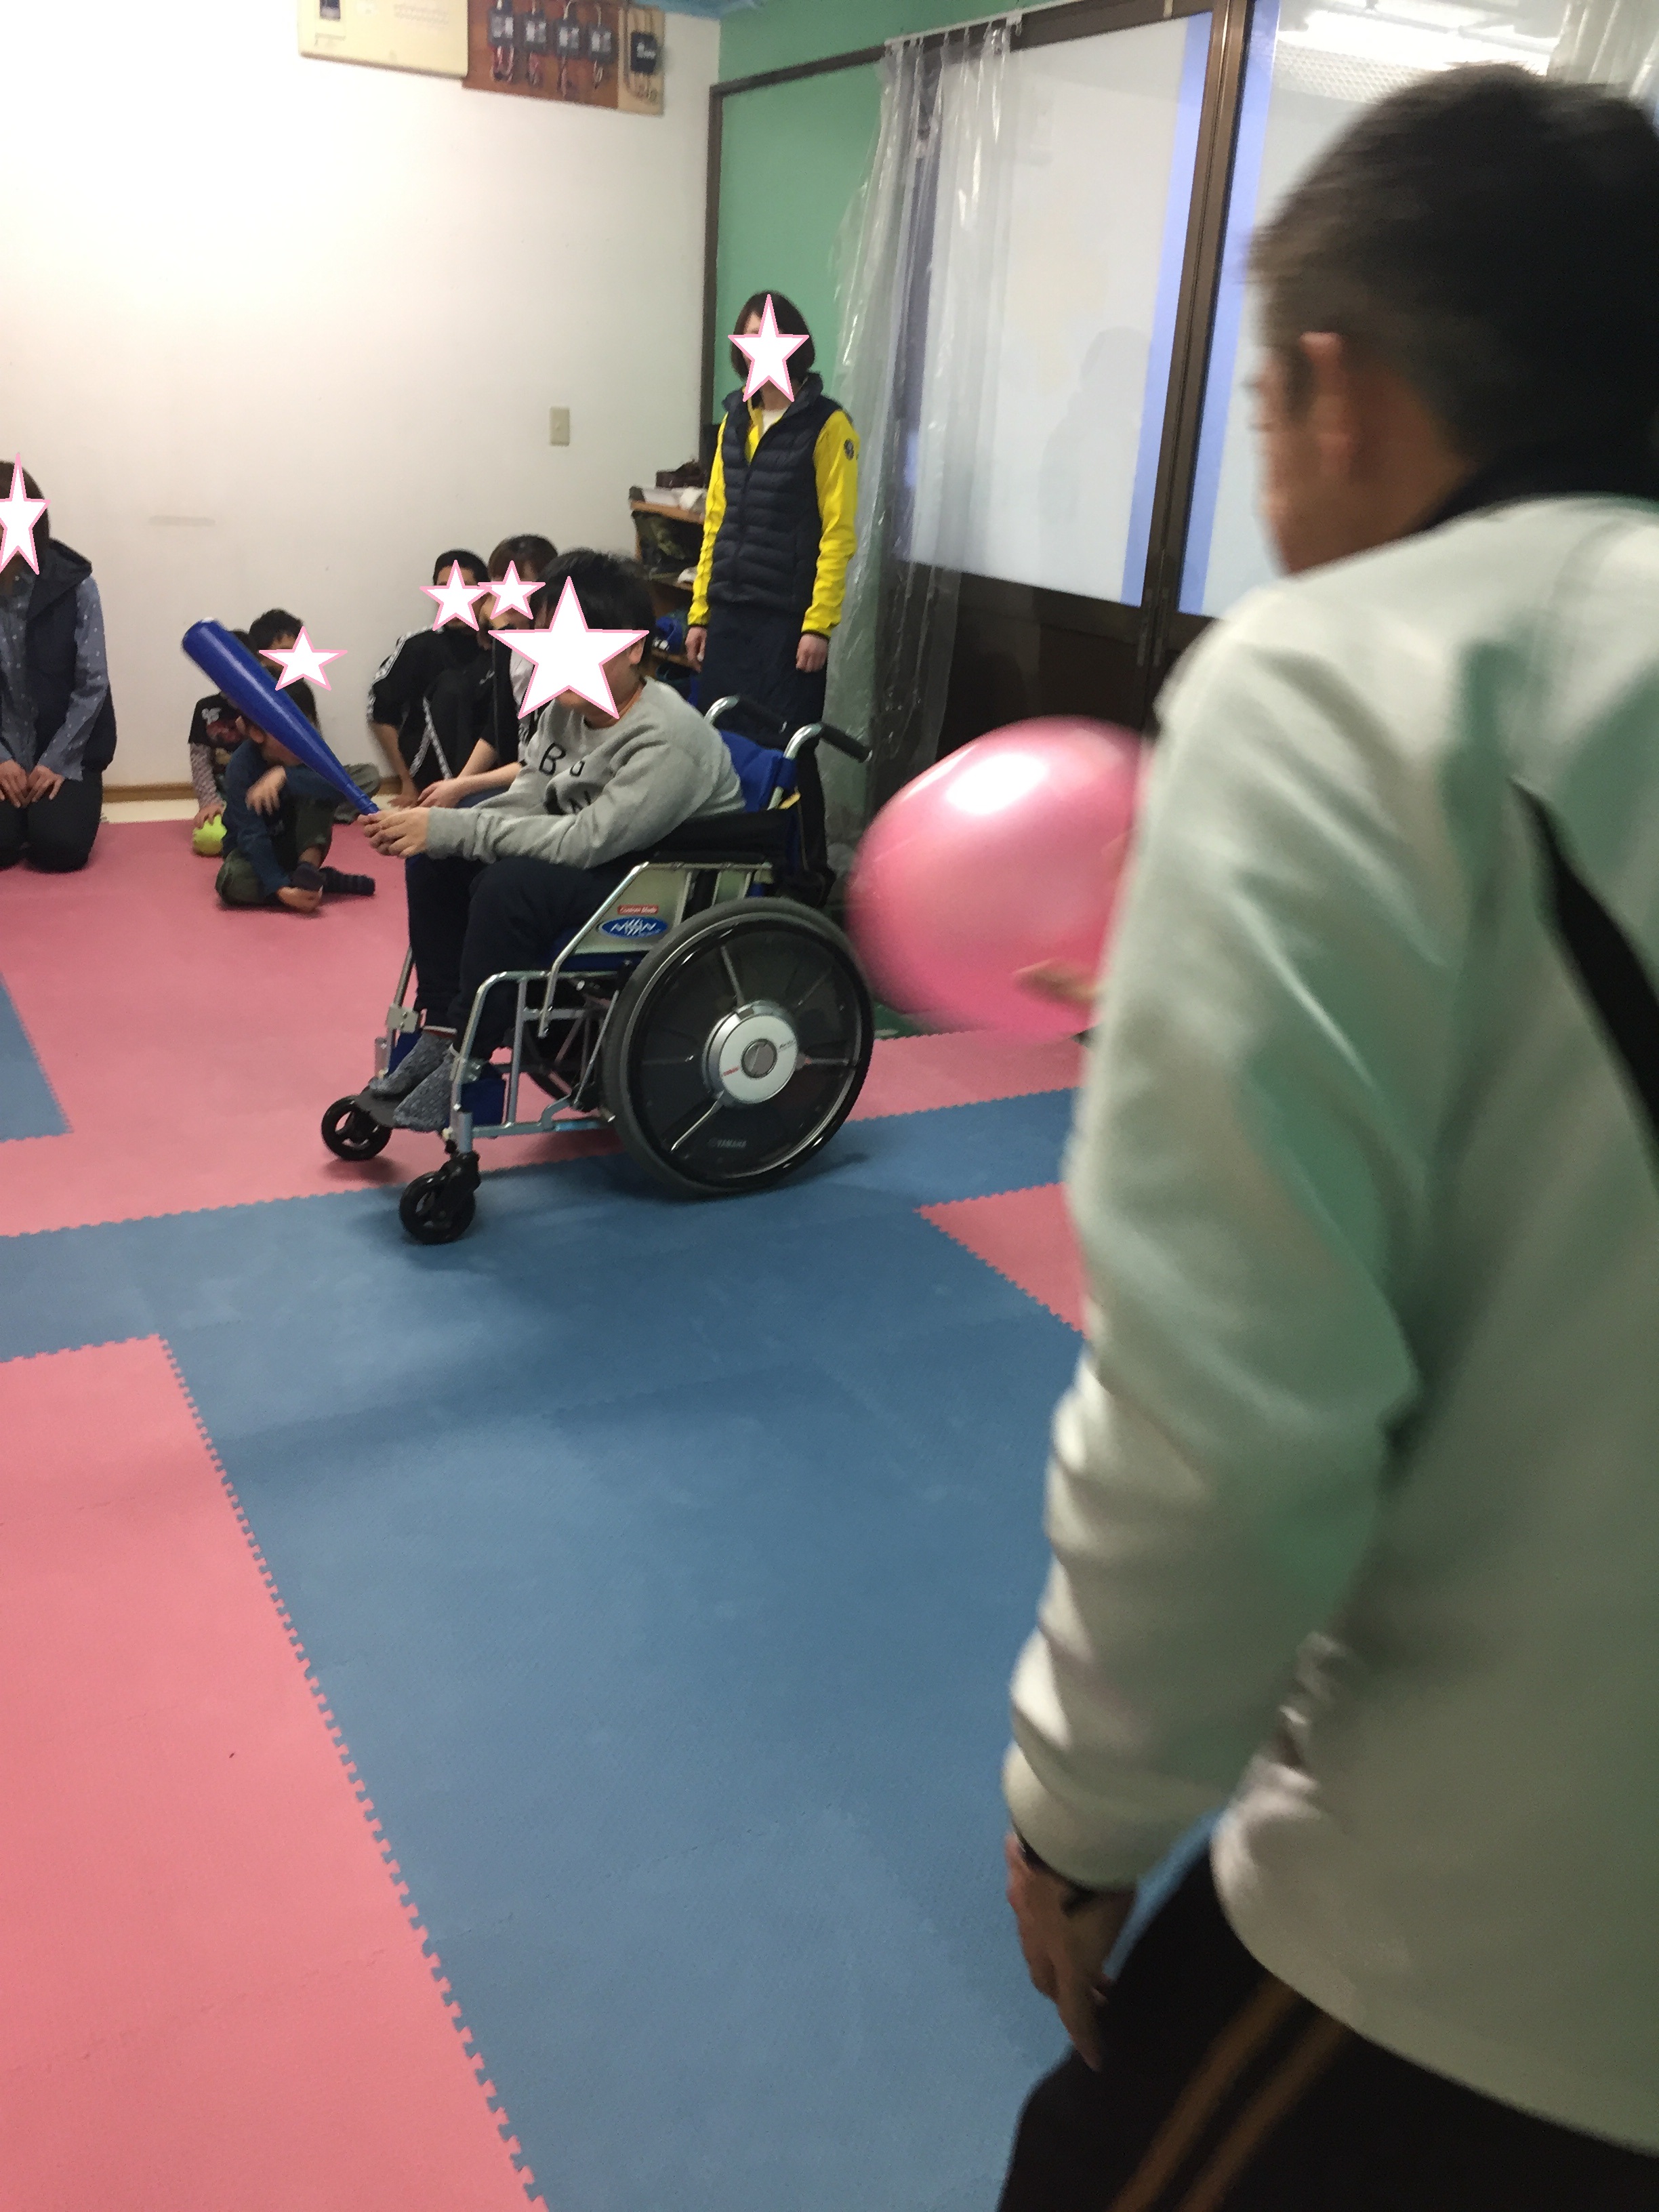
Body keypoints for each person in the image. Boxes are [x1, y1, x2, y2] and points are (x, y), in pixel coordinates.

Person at [998, 67, 1659, 2211]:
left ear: (1331, 392)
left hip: (1500, 1939)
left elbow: (1230, 1417)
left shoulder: (1351, 678)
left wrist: (1078, 1813)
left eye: (1263, 414)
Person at [359, 549, 741, 1130]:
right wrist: (441, 830)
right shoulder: (565, 708)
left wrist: (454, 827)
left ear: (633, 648)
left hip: (665, 880)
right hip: (607, 859)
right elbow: (530, 797)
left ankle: (471, 1060)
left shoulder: (667, 739)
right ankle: (441, 1028)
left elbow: (584, 841)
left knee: (507, 887)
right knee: (437, 860)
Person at [685, 292, 858, 731]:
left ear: (794, 344)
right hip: (729, 615)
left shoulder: (828, 424)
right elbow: (716, 524)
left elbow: (838, 534)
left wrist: (818, 626)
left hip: (788, 622)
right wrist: (700, 613)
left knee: (784, 746)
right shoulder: (734, 422)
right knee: (720, 741)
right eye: (750, 336)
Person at [0, 462, 114, 874]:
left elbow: (93, 685)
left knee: (59, 849)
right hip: (5, 748)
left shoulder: (76, 585)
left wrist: (56, 760)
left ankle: (49, 814)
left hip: (66, 749)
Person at [417, 533, 558, 812]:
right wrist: (457, 784)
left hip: (546, 781)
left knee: (457, 819)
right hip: (515, 776)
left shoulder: (558, 654)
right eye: (498, 583)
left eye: (519, 584)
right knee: (442, 814)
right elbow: (497, 728)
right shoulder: (506, 645)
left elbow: (545, 759)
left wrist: (463, 787)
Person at [215, 714, 375, 913]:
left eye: (303, 730)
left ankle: (308, 871)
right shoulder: (241, 767)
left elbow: (350, 784)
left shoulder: (306, 751)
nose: (298, 740)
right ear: (257, 734)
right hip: (254, 855)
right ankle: (319, 881)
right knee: (230, 881)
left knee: (351, 780)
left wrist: (286, 776)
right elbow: (251, 836)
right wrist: (281, 890)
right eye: (287, 732)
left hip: (299, 848)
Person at [367, 546, 490, 802]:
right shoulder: (419, 646)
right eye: (444, 588)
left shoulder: (501, 646)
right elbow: (379, 711)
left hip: (487, 763)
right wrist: (406, 781)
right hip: (430, 766)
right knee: (452, 686)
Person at [188, 611, 319, 838]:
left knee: (353, 780)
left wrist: (286, 776)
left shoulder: (284, 700)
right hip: (232, 793)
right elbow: (200, 762)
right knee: (213, 836)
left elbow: (313, 756)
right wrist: (209, 803)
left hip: (282, 784)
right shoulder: (206, 709)